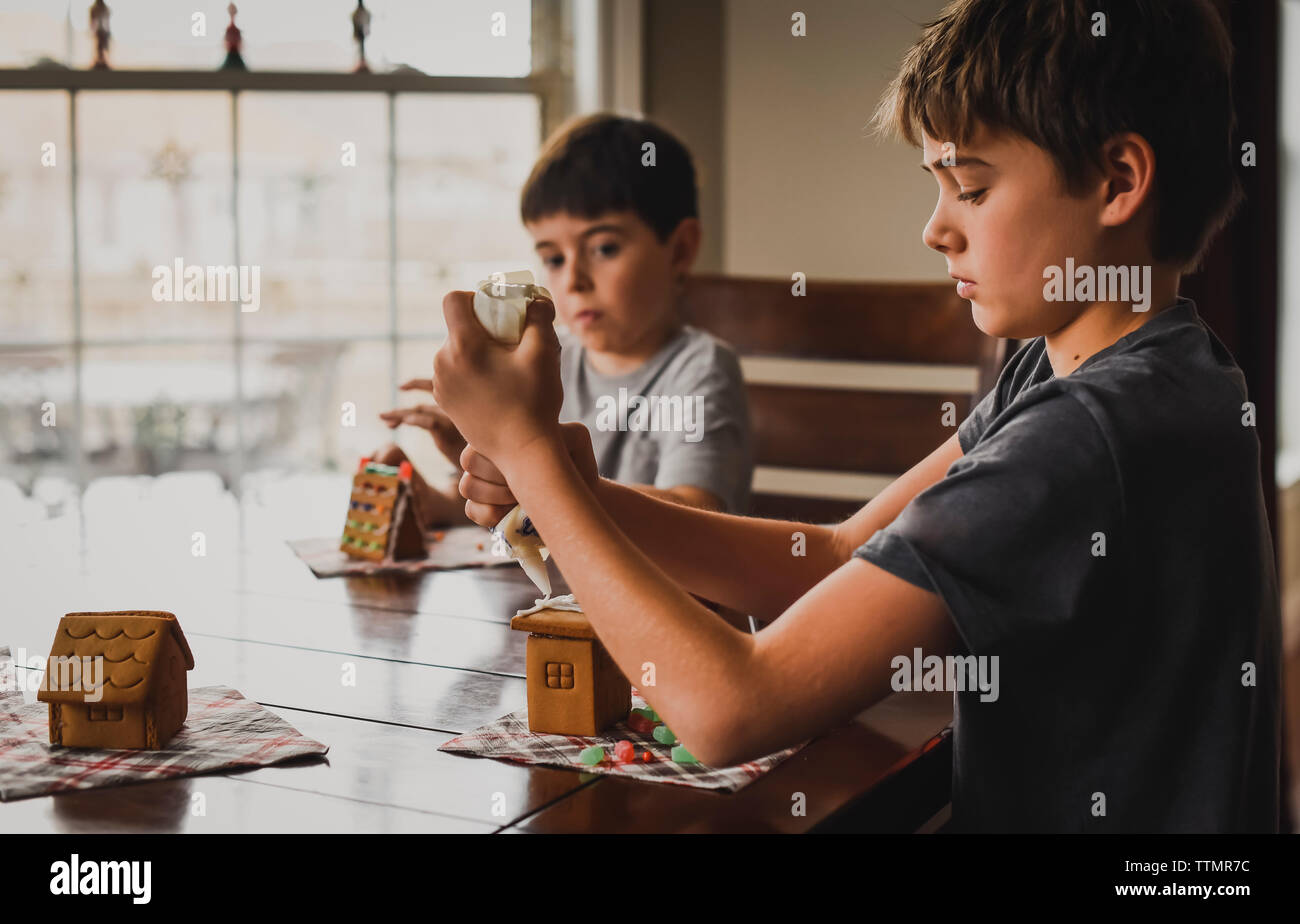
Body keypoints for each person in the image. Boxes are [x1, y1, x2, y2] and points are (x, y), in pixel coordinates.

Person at [430, 0, 1281, 832]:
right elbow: (834, 557)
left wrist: (534, 457)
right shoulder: (1128, 371)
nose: (935, 229)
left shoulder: (1087, 431)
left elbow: (732, 710)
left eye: (972, 189)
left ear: (1119, 181)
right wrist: (574, 490)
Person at [375, 114, 753, 527]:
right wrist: (450, 488)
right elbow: (519, 512)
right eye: (554, 258)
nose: (573, 280)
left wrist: (527, 467)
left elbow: (698, 515)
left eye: (604, 248)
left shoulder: (698, 370)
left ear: (680, 250)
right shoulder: (546, 359)